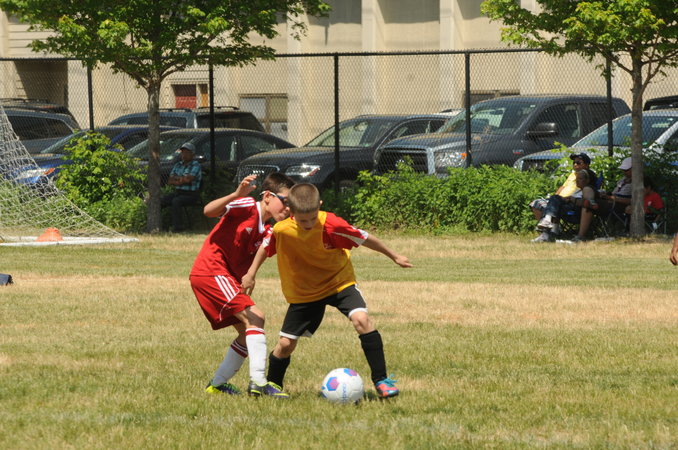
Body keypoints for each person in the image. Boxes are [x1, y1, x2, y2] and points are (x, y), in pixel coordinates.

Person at [242, 183, 413, 399]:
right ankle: (273, 384)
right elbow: (265, 247)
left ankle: (381, 380)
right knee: (285, 344)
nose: (308, 224)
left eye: (312, 218)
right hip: (305, 292)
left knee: (361, 320)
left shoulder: (331, 224)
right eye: (303, 220)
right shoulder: (282, 230)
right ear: (291, 211)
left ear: (320, 206)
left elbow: (364, 238)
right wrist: (250, 274)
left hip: (339, 283)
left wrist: (395, 256)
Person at [190, 172, 295, 398]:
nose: (287, 209)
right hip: (211, 271)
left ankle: (217, 385)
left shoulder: (270, 230)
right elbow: (208, 211)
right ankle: (259, 383)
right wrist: (236, 194)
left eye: (291, 205)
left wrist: (251, 274)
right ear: (267, 196)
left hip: (223, 277)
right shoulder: (246, 205)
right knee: (256, 318)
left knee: (247, 335)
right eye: (285, 201)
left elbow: (264, 250)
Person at [531, 153, 593, 242]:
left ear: (586, 165)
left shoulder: (588, 176)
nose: (575, 164)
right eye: (574, 162)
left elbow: (585, 194)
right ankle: (547, 232)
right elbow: (563, 187)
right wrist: (555, 197)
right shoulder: (573, 174)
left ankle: (550, 229)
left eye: (578, 163)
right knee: (536, 203)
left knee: (554, 206)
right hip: (560, 200)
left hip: (571, 204)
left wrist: (566, 198)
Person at [575, 157, 633, 242]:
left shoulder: (638, 182)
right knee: (589, 190)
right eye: (623, 170)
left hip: (618, 205)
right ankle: (582, 201)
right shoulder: (623, 180)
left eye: (626, 170)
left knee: (588, 206)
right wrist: (606, 195)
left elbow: (633, 201)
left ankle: (581, 235)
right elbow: (613, 193)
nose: (624, 172)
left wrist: (611, 198)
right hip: (610, 200)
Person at [161, 142, 203, 233]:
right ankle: (159, 226)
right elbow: (170, 181)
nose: (184, 155)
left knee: (176, 201)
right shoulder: (177, 165)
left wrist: (177, 179)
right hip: (178, 192)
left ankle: (177, 228)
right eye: (183, 152)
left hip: (191, 195)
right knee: (161, 201)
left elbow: (188, 179)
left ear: (193, 154)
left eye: (187, 152)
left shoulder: (196, 165)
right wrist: (181, 180)